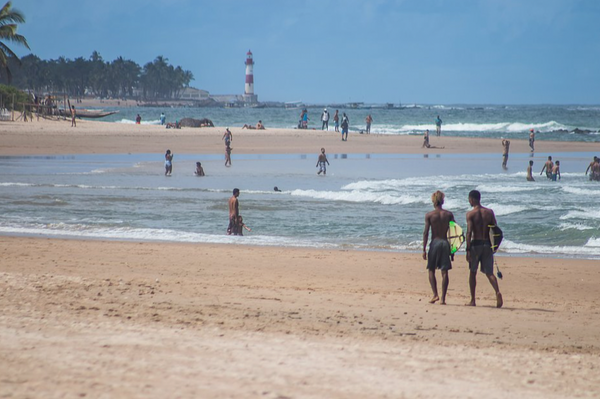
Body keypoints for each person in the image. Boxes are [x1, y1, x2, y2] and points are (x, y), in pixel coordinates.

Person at [465, 190, 503, 308]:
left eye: (469, 199)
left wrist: (467, 249)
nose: (469, 201)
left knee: (472, 272)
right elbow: (495, 229)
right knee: (489, 273)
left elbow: (469, 232)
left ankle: (472, 300)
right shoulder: (489, 212)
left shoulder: (470, 214)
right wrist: (495, 245)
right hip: (487, 244)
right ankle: (497, 291)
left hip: (476, 245)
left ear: (472, 199)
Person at [422, 190, 455, 305]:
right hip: (445, 243)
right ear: (442, 201)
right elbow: (454, 232)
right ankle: (443, 299)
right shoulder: (449, 214)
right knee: (444, 271)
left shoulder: (429, 215)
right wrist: (453, 249)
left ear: (433, 201)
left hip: (435, 243)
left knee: (431, 269)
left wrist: (424, 249)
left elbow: (426, 233)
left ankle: (435, 294)